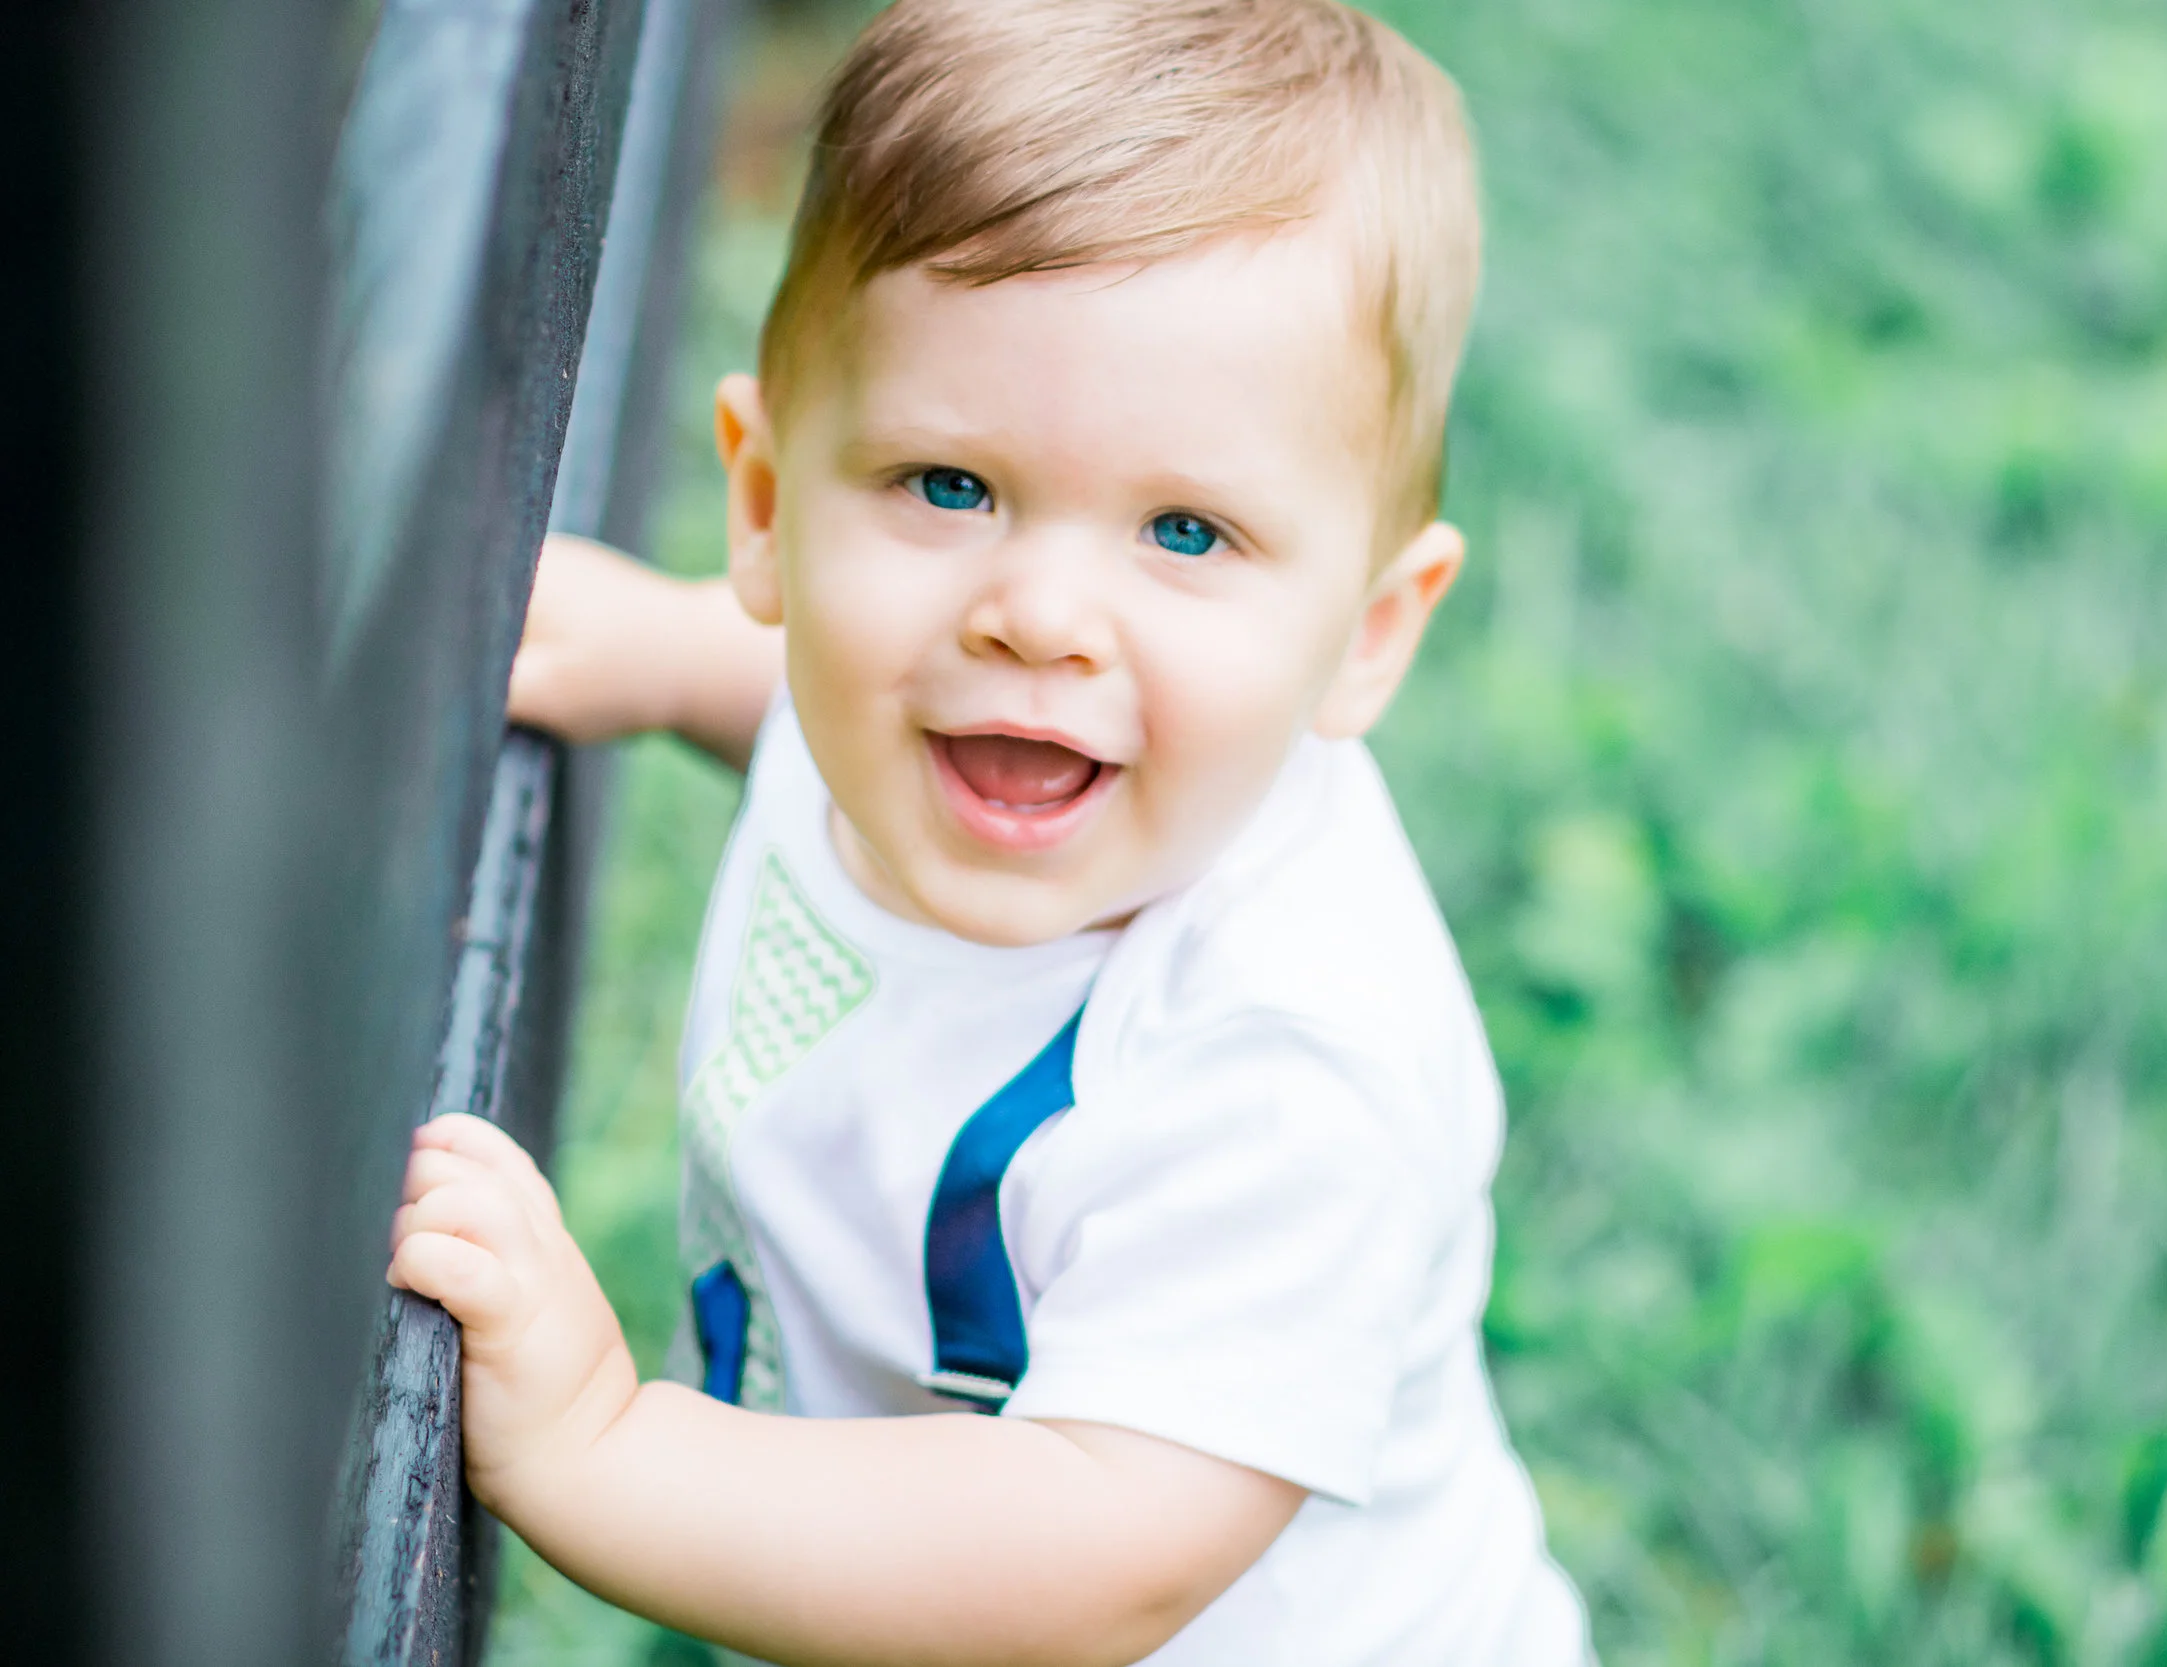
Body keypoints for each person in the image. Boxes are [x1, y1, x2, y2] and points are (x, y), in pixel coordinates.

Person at [390, 1, 1591, 1660]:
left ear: (1373, 628)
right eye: (948, 485)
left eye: (1188, 529)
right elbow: (823, 709)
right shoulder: (942, 727)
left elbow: (1092, 1546)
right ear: (767, 504)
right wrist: (682, 653)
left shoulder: (1287, 1064)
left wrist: (607, 1443)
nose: (1036, 615)